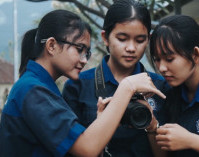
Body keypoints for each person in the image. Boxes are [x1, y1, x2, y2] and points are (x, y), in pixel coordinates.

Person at [0, 9, 165, 157]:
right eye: (79, 49)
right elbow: (86, 149)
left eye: (87, 52)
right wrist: (127, 87)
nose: (84, 60)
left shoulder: (38, 87)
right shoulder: (33, 90)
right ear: (51, 45)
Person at [62, 0, 169, 156]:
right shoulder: (78, 85)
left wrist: (152, 126)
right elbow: (72, 150)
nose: (131, 48)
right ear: (105, 37)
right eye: (122, 38)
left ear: (148, 39)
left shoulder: (160, 86)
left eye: (140, 40)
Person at [149, 15, 199, 157]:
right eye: (157, 59)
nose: (161, 68)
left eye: (169, 59)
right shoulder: (167, 91)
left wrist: (191, 140)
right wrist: (151, 125)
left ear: (195, 54)